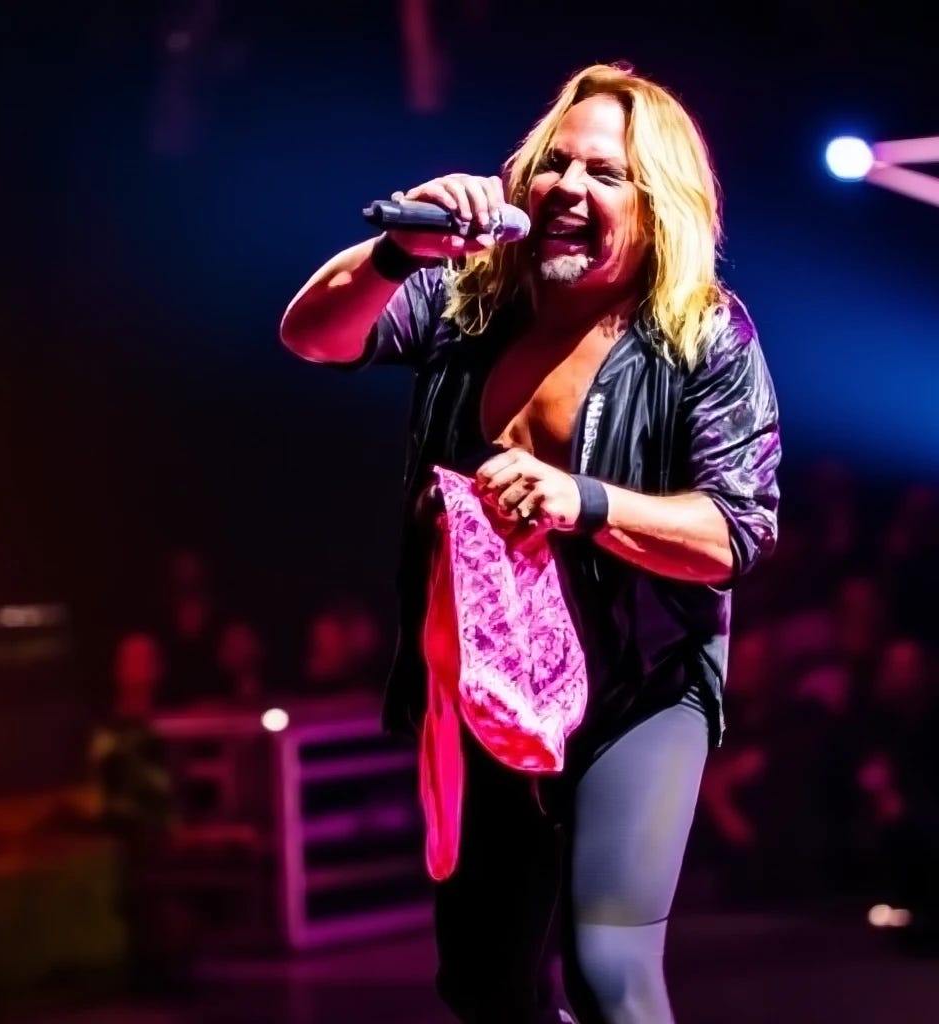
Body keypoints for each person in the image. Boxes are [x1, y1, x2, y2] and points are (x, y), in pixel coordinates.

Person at [279, 61, 780, 1024]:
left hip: (640, 691)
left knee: (608, 974)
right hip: (487, 695)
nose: (568, 188)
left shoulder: (702, 334)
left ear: (657, 206)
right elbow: (312, 334)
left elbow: (736, 531)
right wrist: (397, 251)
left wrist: (583, 501)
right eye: (556, 163)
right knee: (484, 987)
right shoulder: (468, 298)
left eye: (606, 174)